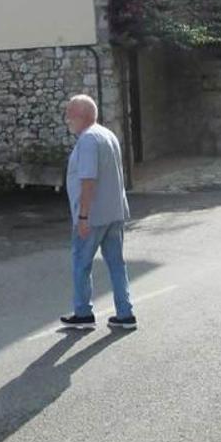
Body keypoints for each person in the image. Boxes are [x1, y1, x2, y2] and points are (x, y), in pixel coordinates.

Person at [59, 94, 135, 330]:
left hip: (93, 216)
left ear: (81, 116)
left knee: (81, 264)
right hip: (114, 212)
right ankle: (125, 314)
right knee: (116, 264)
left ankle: (83, 313)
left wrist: (83, 216)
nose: (67, 120)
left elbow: (88, 180)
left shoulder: (88, 140)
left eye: (69, 115)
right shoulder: (107, 134)